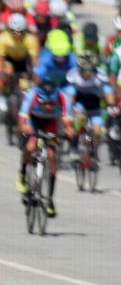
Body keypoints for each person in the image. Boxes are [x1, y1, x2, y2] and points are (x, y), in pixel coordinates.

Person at [16, 77, 74, 215]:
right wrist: (24, 127)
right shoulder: (32, 95)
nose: (48, 106)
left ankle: (50, 199)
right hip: (34, 121)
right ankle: (23, 174)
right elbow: (22, 120)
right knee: (30, 147)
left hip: (51, 123)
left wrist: (69, 130)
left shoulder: (63, 97)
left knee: (52, 156)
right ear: (39, 98)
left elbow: (68, 121)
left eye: (52, 103)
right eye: (45, 103)